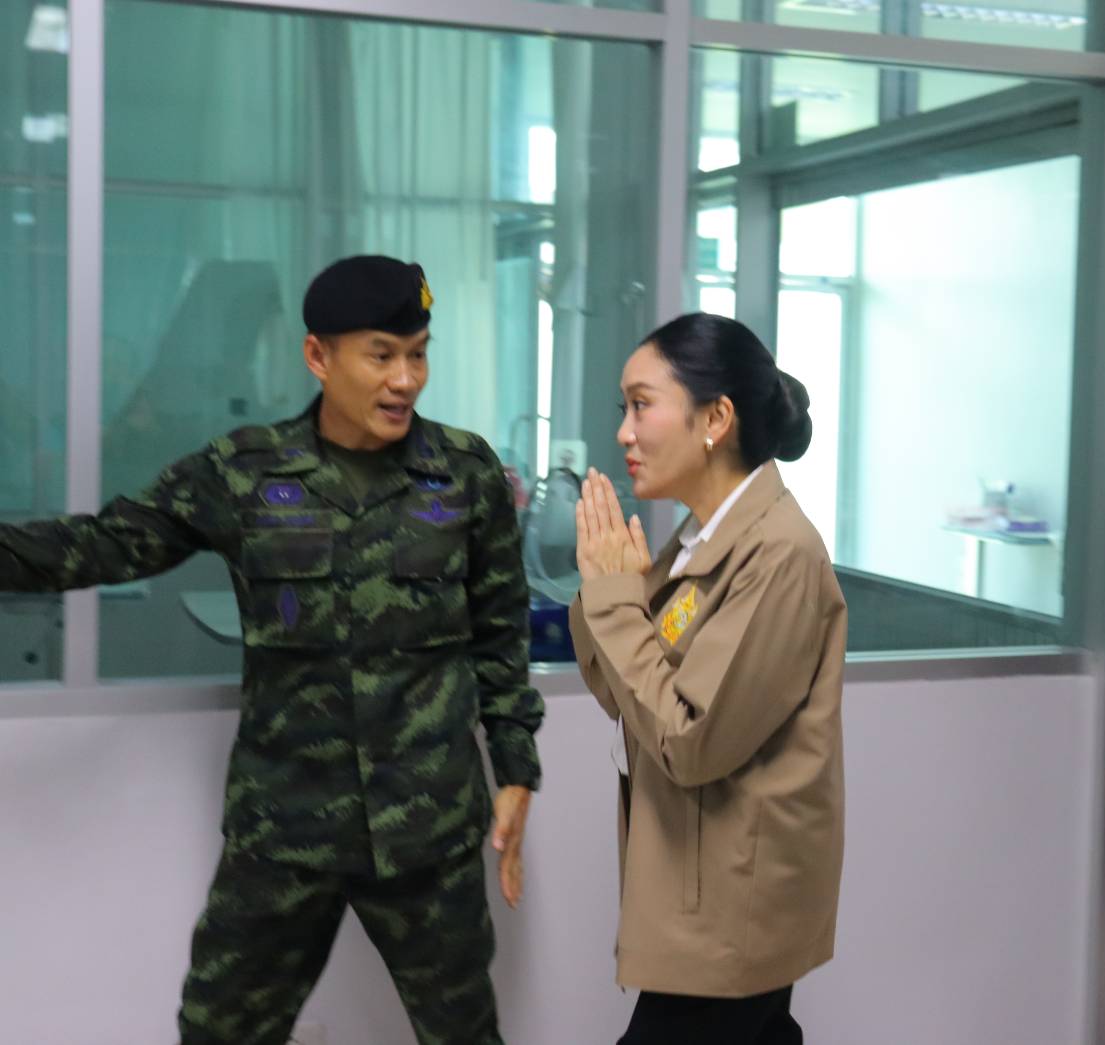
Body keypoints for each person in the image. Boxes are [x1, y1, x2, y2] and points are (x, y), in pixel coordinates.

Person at [0, 255, 543, 1045]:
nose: (405, 380)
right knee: (218, 1029)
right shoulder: (243, 472)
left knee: (463, 1034)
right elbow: (101, 544)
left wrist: (516, 764)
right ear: (318, 355)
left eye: (418, 354)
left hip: (426, 828)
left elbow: (500, 628)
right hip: (285, 827)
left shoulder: (464, 473)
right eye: (381, 355)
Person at [568, 312, 846, 1045]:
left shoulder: (778, 554)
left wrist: (615, 602)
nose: (624, 432)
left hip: (731, 911)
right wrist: (608, 591)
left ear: (716, 418)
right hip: (699, 894)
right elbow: (626, 695)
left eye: (641, 405)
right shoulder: (702, 541)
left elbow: (688, 738)